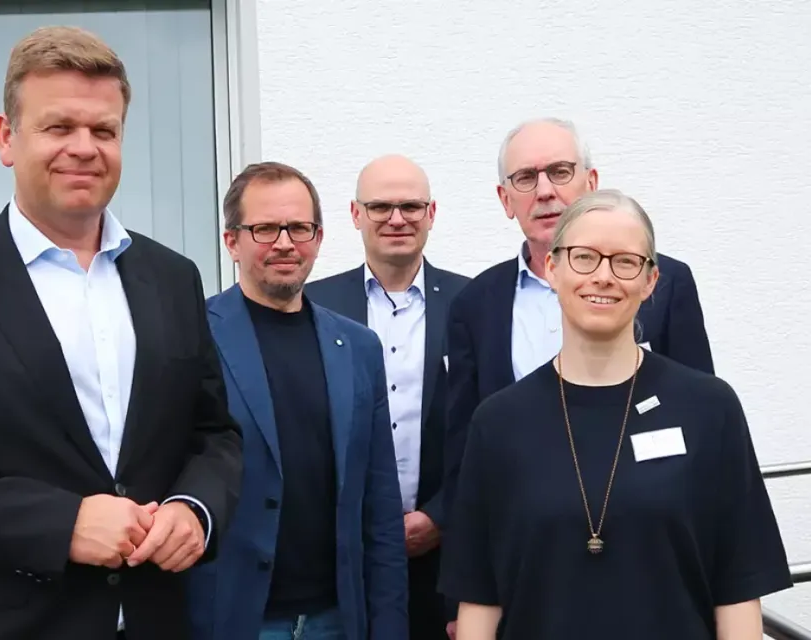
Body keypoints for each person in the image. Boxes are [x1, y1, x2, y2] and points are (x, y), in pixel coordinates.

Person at [0, 26, 242, 640]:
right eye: (59, 128)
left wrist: (195, 511)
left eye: (104, 130)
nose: (84, 148)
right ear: (8, 139)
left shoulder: (172, 277)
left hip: (154, 621)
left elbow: (213, 433)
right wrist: (60, 524)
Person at [438, 189, 792, 639]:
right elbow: (479, 602)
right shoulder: (498, 423)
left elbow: (738, 589)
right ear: (553, 268)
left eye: (625, 261)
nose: (603, 276)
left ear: (650, 282)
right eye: (584, 257)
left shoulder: (709, 408)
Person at [444, 116, 715, 538]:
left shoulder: (662, 280)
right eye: (525, 178)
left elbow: (701, 422)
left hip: (645, 533)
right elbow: (465, 451)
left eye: (560, 171)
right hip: (522, 540)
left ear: (591, 182)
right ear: (505, 199)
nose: (545, 190)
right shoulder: (475, 304)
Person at [186, 161, 407, 640]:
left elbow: (380, 506)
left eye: (299, 228)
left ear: (319, 237)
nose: (285, 243)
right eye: (265, 228)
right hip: (233, 618)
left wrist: (389, 625)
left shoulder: (358, 347)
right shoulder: (192, 337)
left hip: (336, 618)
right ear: (232, 242)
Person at [307, 154, 469, 639]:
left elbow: (488, 430)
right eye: (380, 206)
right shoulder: (313, 307)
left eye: (410, 206)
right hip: (342, 556)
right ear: (355, 215)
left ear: (432, 213)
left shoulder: (473, 306)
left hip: (449, 556)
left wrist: (440, 516)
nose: (396, 219)